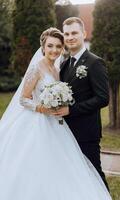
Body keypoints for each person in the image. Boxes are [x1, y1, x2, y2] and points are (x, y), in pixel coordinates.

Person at [0, 27, 112, 200]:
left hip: (56, 123)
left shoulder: (59, 68)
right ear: (43, 47)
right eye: (50, 46)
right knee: (36, 164)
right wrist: (40, 108)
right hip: (36, 123)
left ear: (62, 48)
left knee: (60, 165)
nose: (54, 50)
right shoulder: (36, 69)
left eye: (58, 46)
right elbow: (23, 99)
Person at [57, 17, 110, 190]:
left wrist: (70, 110)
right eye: (66, 34)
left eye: (74, 33)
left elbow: (103, 98)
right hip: (65, 132)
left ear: (84, 34)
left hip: (87, 132)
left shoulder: (95, 63)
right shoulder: (65, 64)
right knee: (73, 175)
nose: (70, 37)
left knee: (94, 173)